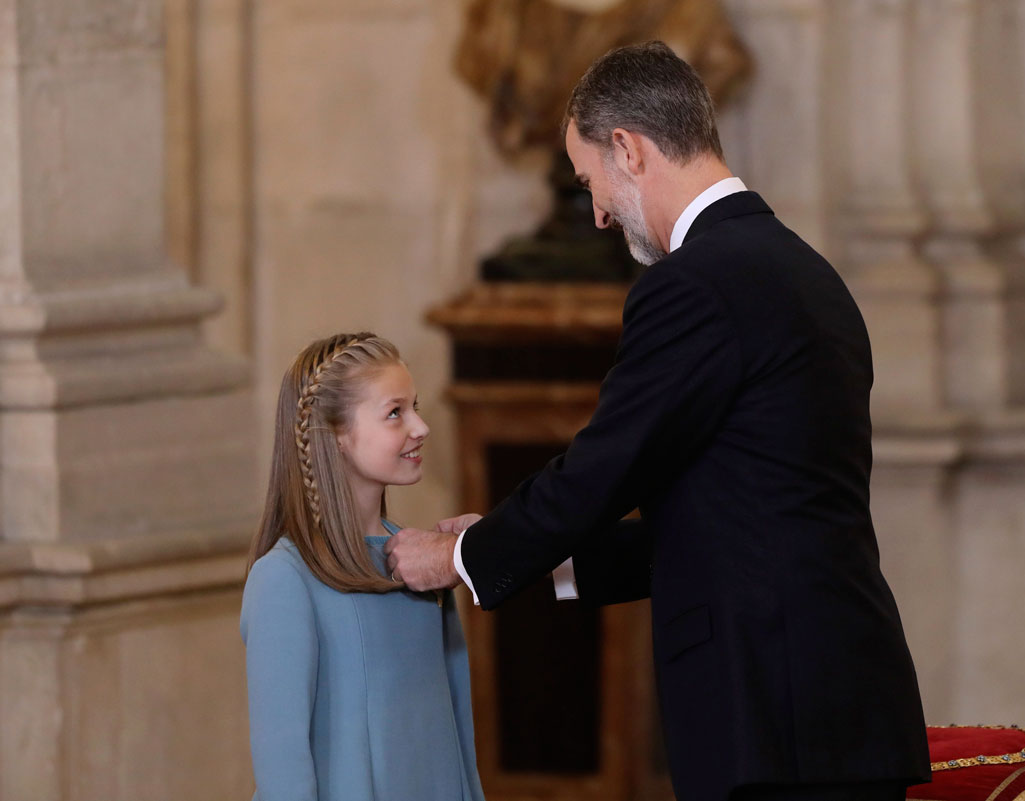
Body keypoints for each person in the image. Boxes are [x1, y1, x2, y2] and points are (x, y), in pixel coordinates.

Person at [387, 42, 931, 801]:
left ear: (629, 149)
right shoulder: (807, 272)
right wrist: (545, 558)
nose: (600, 213)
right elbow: (735, 516)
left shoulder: (695, 284)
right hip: (840, 706)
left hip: (771, 718)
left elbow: (602, 468)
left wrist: (463, 558)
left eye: (591, 183)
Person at [240, 333, 486, 801]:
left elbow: (458, 739)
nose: (421, 426)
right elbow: (283, 771)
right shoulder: (285, 579)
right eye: (395, 413)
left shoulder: (423, 565)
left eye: (414, 407)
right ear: (335, 434)